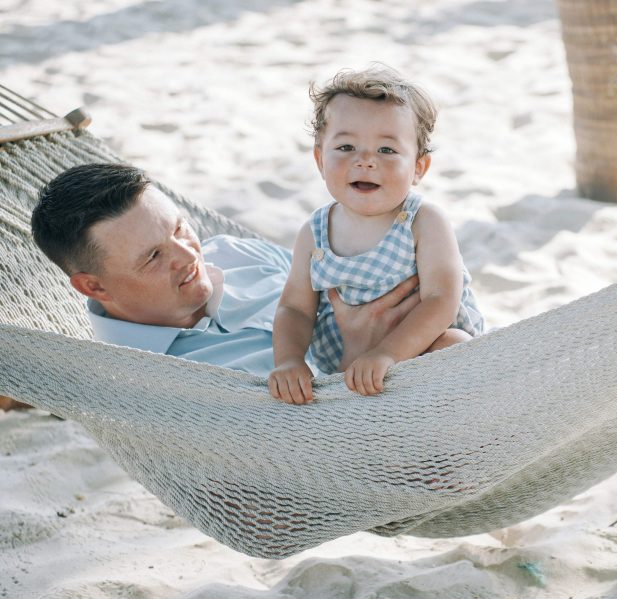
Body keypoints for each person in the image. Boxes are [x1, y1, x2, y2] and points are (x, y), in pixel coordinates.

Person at [28, 162, 418, 381]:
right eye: (153, 257)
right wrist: (357, 354)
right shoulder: (146, 379)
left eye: (179, 227)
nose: (188, 254)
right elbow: (315, 452)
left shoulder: (236, 253)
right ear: (93, 286)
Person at [268, 65, 483, 403]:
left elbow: (441, 300)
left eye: (386, 150)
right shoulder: (314, 232)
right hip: (347, 370)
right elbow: (294, 309)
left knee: (455, 345)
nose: (366, 161)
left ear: (418, 168)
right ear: (319, 159)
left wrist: (386, 353)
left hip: (423, 350)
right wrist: (290, 360)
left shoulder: (423, 221)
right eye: (346, 147)